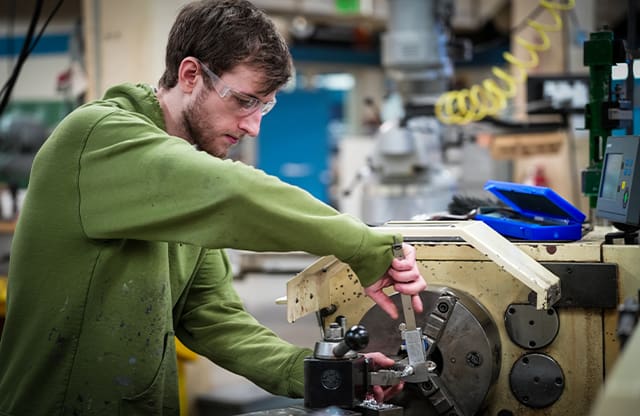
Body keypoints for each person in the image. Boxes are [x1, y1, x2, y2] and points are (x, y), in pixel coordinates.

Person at [0, 1, 427, 414]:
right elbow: (235, 194)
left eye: (265, 107)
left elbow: (212, 318)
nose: (253, 125)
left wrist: (326, 374)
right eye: (244, 101)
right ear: (190, 75)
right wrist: (365, 247)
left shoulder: (185, 190)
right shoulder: (95, 138)